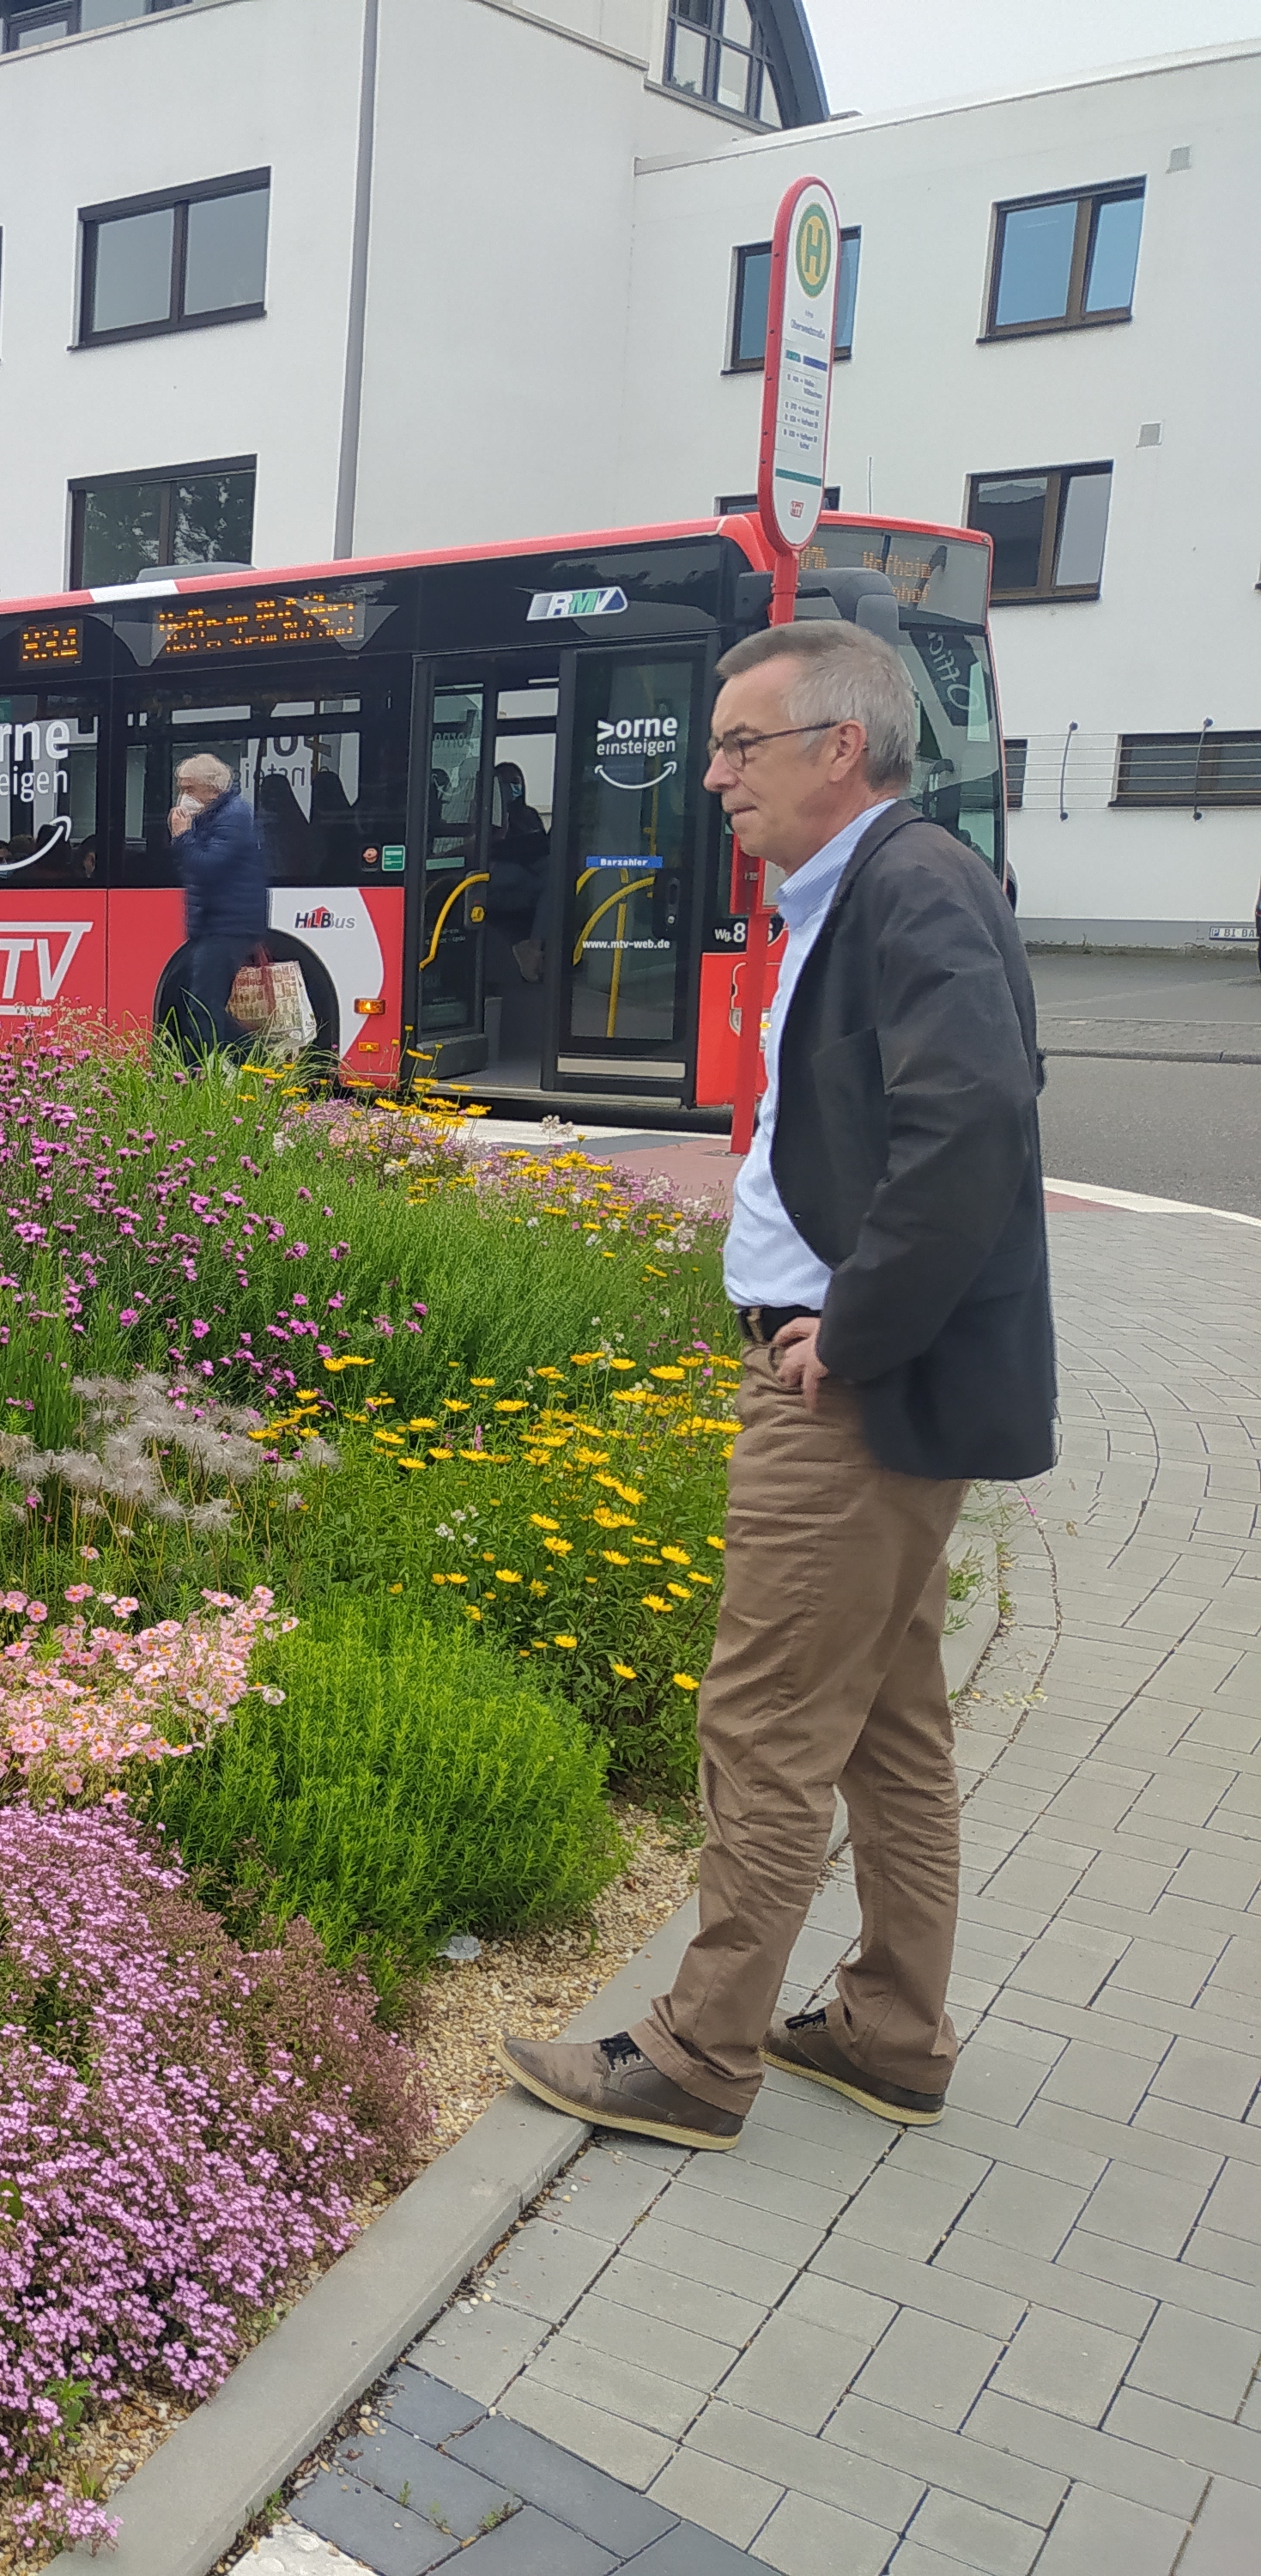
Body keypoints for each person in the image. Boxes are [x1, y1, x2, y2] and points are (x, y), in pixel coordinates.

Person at [501, 618, 1053, 2151]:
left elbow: (977, 1120)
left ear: (841, 750)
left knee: (763, 1720)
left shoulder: (910, 885)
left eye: (743, 743)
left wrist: (858, 1326)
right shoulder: (872, 887)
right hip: (871, 1379)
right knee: (888, 1719)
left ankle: (698, 2053)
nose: (713, 774)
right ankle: (890, 2031)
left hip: (848, 1398)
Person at [167, 753, 268, 1058]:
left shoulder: (234, 815)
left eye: (189, 788)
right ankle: (256, 1057)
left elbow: (207, 866)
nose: (183, 796)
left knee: (203, 1006)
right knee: (203, 1001)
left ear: (212, 789)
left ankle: (198, 1074)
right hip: (214, 923)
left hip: (227, 925)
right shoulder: (216, 814)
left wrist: (182, 836)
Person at [488, 763, 553, 981]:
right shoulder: (489, 811)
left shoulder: (529, 814)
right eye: (507, 784)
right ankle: (533, 948)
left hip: (527, 869)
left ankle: (539, 946)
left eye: (516, 783)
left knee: (554, 876)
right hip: (494, 872)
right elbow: (480, 845)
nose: (513, 788)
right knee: (550, 885)